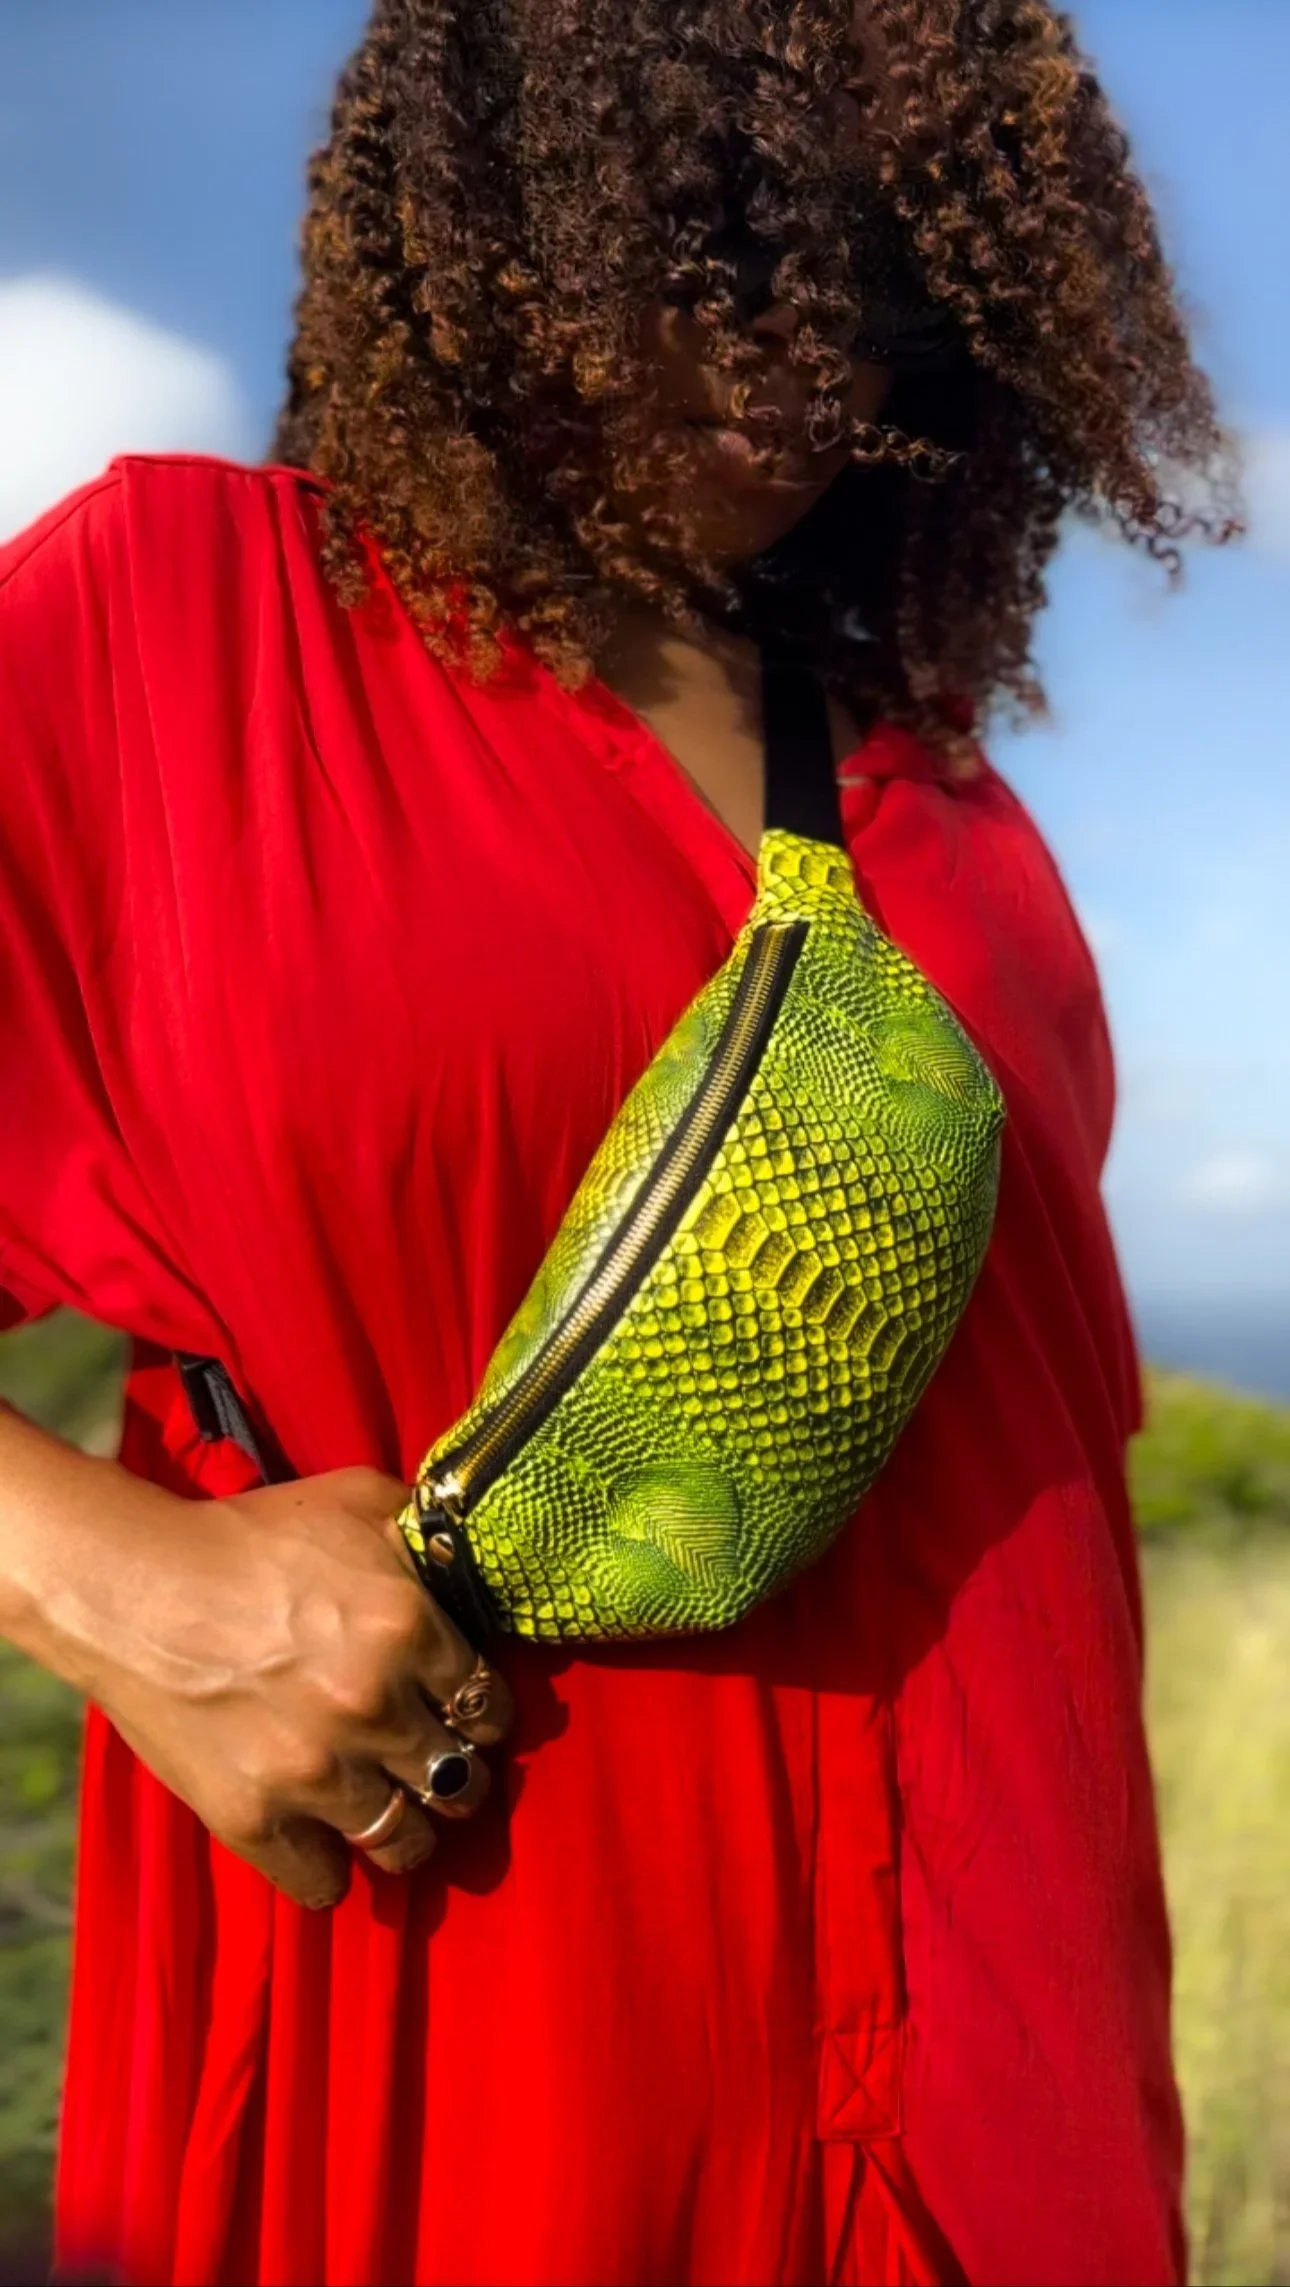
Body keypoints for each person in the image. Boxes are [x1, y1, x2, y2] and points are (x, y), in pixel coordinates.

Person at [0, 3, 1241, 2283]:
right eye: (718, 240)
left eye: (881, 268)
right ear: (503, 200)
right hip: (463, 2028)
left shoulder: (959, 826)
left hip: (1005, 2090)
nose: (801, 349)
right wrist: (118, 1581)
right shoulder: (178, 634)